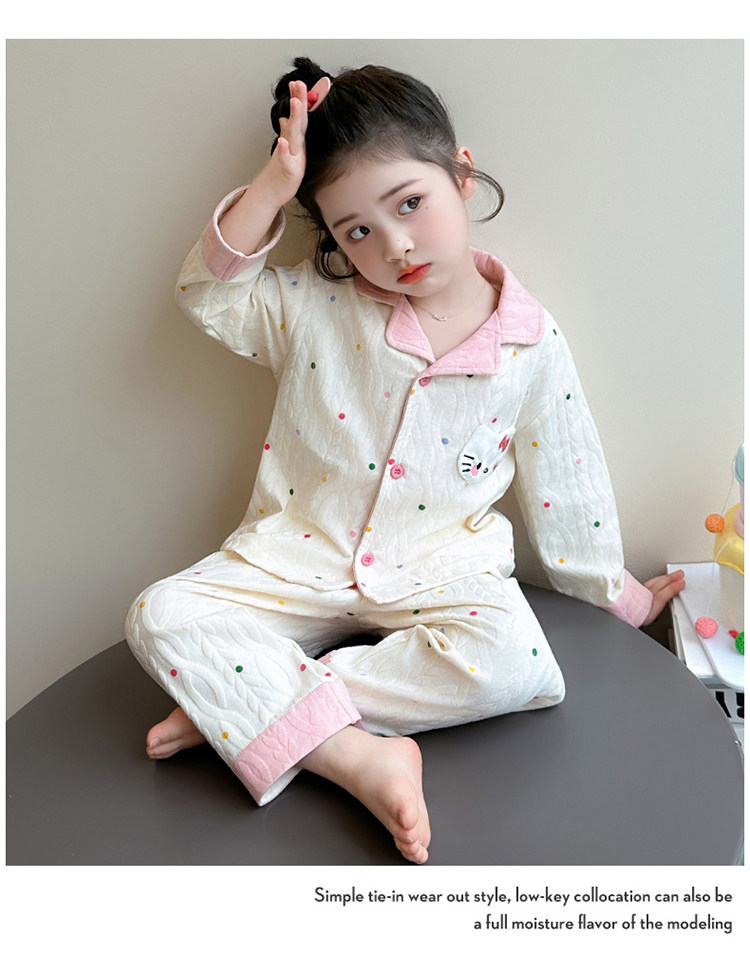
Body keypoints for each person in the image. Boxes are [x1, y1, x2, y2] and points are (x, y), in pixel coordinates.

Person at [125, 57, 685, 865]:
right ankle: (352, 753)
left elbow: (567, 484)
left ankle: (254, 708)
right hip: (294, 559)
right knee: (159, 614)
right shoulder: (314, 305)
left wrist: (615, 598)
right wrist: (274, 188)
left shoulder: (530, 343)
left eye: (410, 204)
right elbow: (206, 297)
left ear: (462, 174)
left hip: (438, 571)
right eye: (356, 231)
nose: (394, 245)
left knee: (518, 662)